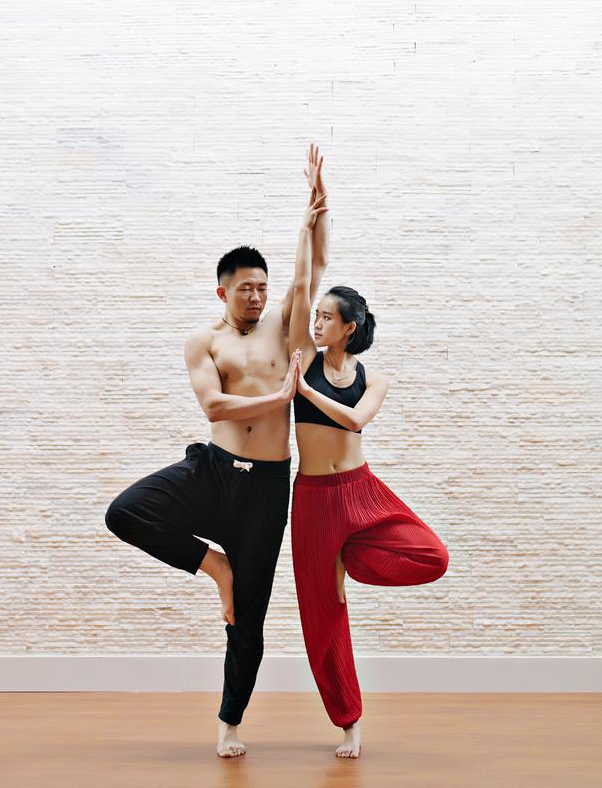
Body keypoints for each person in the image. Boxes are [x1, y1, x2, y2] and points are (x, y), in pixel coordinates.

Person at [104, 144, 330, 759]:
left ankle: (230, 722)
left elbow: (310, 272)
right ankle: (214, 565)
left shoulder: (283, 325)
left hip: (266, 488)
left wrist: (313, 213)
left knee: (248, 619)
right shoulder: (203, 340)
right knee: (124, 512)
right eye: (246, 289)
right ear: (222, 292)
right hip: (214, 471)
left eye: (262, 287)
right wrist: (278, 397)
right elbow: (213, 406)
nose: (257, 296)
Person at [285, 199, 449, 759]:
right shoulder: (304, 356)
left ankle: (352, 557)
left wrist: (305, 395)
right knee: (322, 613)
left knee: (432, 555)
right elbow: (303, 284)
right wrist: (308, 224)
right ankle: (348, 721)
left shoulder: (372, 378)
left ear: (348, 328)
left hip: (360, 492)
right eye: (316, 317)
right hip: (313, 499)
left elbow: (356, 420)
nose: (316, 323)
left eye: (327, 318)